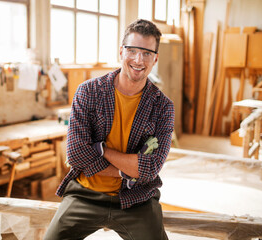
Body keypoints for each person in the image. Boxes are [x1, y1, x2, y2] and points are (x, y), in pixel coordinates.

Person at [44, 19, 174, 240]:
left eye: (146, 53)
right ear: (121, 52)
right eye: (132, 50)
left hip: (137, 198)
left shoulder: (162, 106)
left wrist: (102, 150)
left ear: (155, 58)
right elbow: (76, 154)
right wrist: (127, 170)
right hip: (85, 194)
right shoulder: (89, 92)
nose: (138, 60)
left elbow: (150, 169)